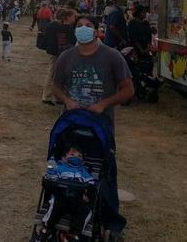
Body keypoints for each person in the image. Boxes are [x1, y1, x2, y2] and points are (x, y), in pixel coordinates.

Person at [51, 15, 134, 234]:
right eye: (79, 26)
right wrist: (67, 100)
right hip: (70, 126)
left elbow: (128, 90)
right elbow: (56, 87)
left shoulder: (112, 56)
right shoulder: (66, 57)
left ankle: (110, 222)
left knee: (104, 174)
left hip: (100, 127)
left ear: (97, 30)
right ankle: (65, 211)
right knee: (66, 170)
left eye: (88, 26)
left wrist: (103, 104)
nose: (83, 29)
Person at [36, 146, 96, 240]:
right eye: (72, 154)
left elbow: (91, 182)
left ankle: (73, 234)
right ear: (64, 157)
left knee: (85, 209)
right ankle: (46, 229)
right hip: (62, 196)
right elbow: (51, 177)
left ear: (83, 161)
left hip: (77, 199)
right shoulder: (60, 167)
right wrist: (51, 167)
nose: (76, 157)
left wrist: (87, 194)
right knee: (56, 204)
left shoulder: (83, 171)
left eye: (79, 156)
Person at [42, 9, 77, 105]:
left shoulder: (51, 25)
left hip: (53, 52)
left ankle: (48, 95)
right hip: (61, 53)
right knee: (58, 75)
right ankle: (53, 96)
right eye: (73, 17)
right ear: (67, 17)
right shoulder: (68, 28)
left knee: (52, 73)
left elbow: (45, 38)